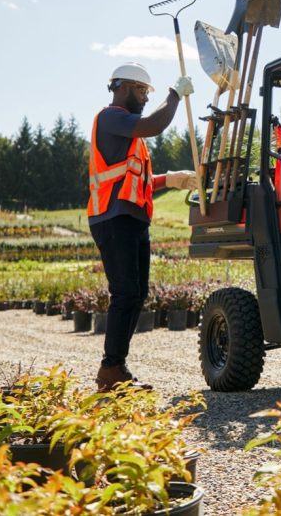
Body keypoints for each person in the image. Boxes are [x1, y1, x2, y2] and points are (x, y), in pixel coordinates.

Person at [88, 62, 199, 392]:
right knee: (125, 293)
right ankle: (111, 371)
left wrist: (171, 180)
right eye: (141, 90)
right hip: (113, 218)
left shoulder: (128, 136)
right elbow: (154, 125)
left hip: (131, 218)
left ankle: (116, 367)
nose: (145, 98)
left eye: (148, 92)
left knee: (136, 294)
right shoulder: (110, 118)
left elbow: (137, 182)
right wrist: (174, 95)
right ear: (121, 87)